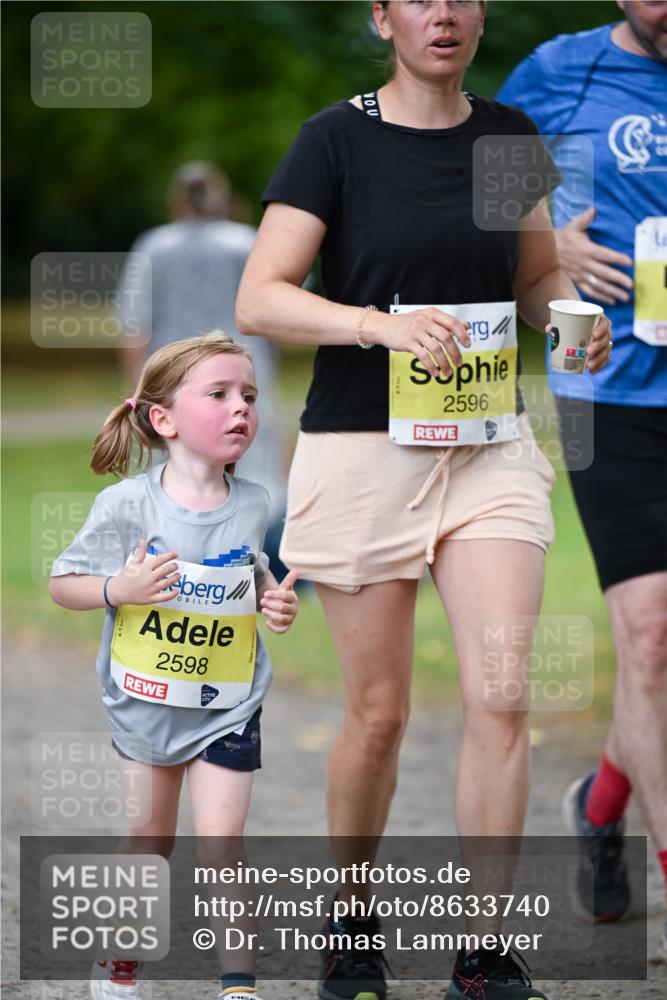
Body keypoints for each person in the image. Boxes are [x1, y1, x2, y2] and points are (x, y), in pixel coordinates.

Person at [236, 3, 612, 998]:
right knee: (378, 711)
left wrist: (569, 317)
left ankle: (483, 953)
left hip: (486, 449)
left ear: (478, 16)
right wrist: (376, 326)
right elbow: (261, 295)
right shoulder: (335, 140)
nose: (441, 14)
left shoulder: (506, 138)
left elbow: (534, 280)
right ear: (383, 17)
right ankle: (352, 921)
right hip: (363, 447)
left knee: (500, 695)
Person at [48, 332, 299, 1000]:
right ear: (163, 419)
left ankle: (238, 988)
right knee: (150, 839)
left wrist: (275, 602)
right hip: (147, 704)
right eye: (218, 394)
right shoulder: (128, 505)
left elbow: (255, 573)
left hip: (228, 703)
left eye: (248, 394)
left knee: (222, 846)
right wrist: (115, 591)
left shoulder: (256, 502)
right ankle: (118, 964)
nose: (241, 406)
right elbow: (63, 582)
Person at [497, 0, 667, 958]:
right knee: (647, 641)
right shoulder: (556, 75)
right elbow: (480, 197)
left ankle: (597, 805)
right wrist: (548, 245)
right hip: (609, 390)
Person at [117, 162, 288, 576]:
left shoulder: (154, 245)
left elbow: (134, 325)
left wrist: (134, 391)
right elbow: (276, 314)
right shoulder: (245, 242)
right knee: (256, 470)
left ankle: (173, 565)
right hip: (243, 376)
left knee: (174, 468)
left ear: (177, 199)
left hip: (173, 379)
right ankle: (259, 566)